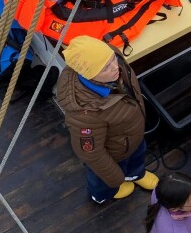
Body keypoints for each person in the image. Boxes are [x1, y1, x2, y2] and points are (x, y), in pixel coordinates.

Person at [57, 36, 159, 203]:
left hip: (133, 137)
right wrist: (115, 178)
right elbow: (92, 154)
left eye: (113, 59)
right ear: (90, 76)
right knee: (102, 180)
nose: (115, 67)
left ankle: (134, 174)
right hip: (113, 154)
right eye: (105, 68)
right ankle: (102, 196)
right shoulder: (85, 114)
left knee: (136, 156)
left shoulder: (112, 58)